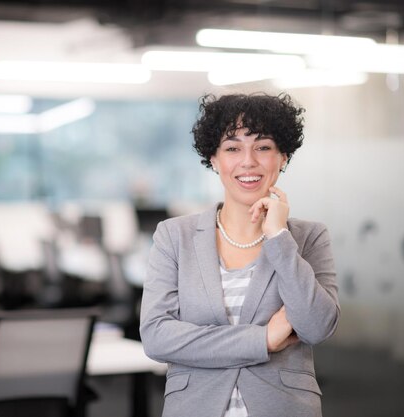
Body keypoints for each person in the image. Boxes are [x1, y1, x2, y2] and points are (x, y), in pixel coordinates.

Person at [139, 93, 340, 417]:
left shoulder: (307, 237)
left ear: (283, 157)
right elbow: (157, 337)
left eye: (263, 147)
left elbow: (316, 326)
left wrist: (278, 235)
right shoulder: (175, 236)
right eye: (233, 148)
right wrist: (262, 340)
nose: (248, 161)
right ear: (214, 159)